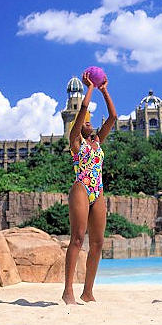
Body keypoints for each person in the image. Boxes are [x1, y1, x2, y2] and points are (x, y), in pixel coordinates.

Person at [62, 72, 117, 304]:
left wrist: (104, 89)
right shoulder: (75, 141)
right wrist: (91, 87)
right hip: (81, 189)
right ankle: (68, 291)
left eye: (89, 121)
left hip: (99, 192)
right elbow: (83, 108)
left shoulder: (97, 142)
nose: (88, 122)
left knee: (98, 243)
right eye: (84, 121)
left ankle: (88, 291)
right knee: (77, 238)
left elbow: (113, 116)